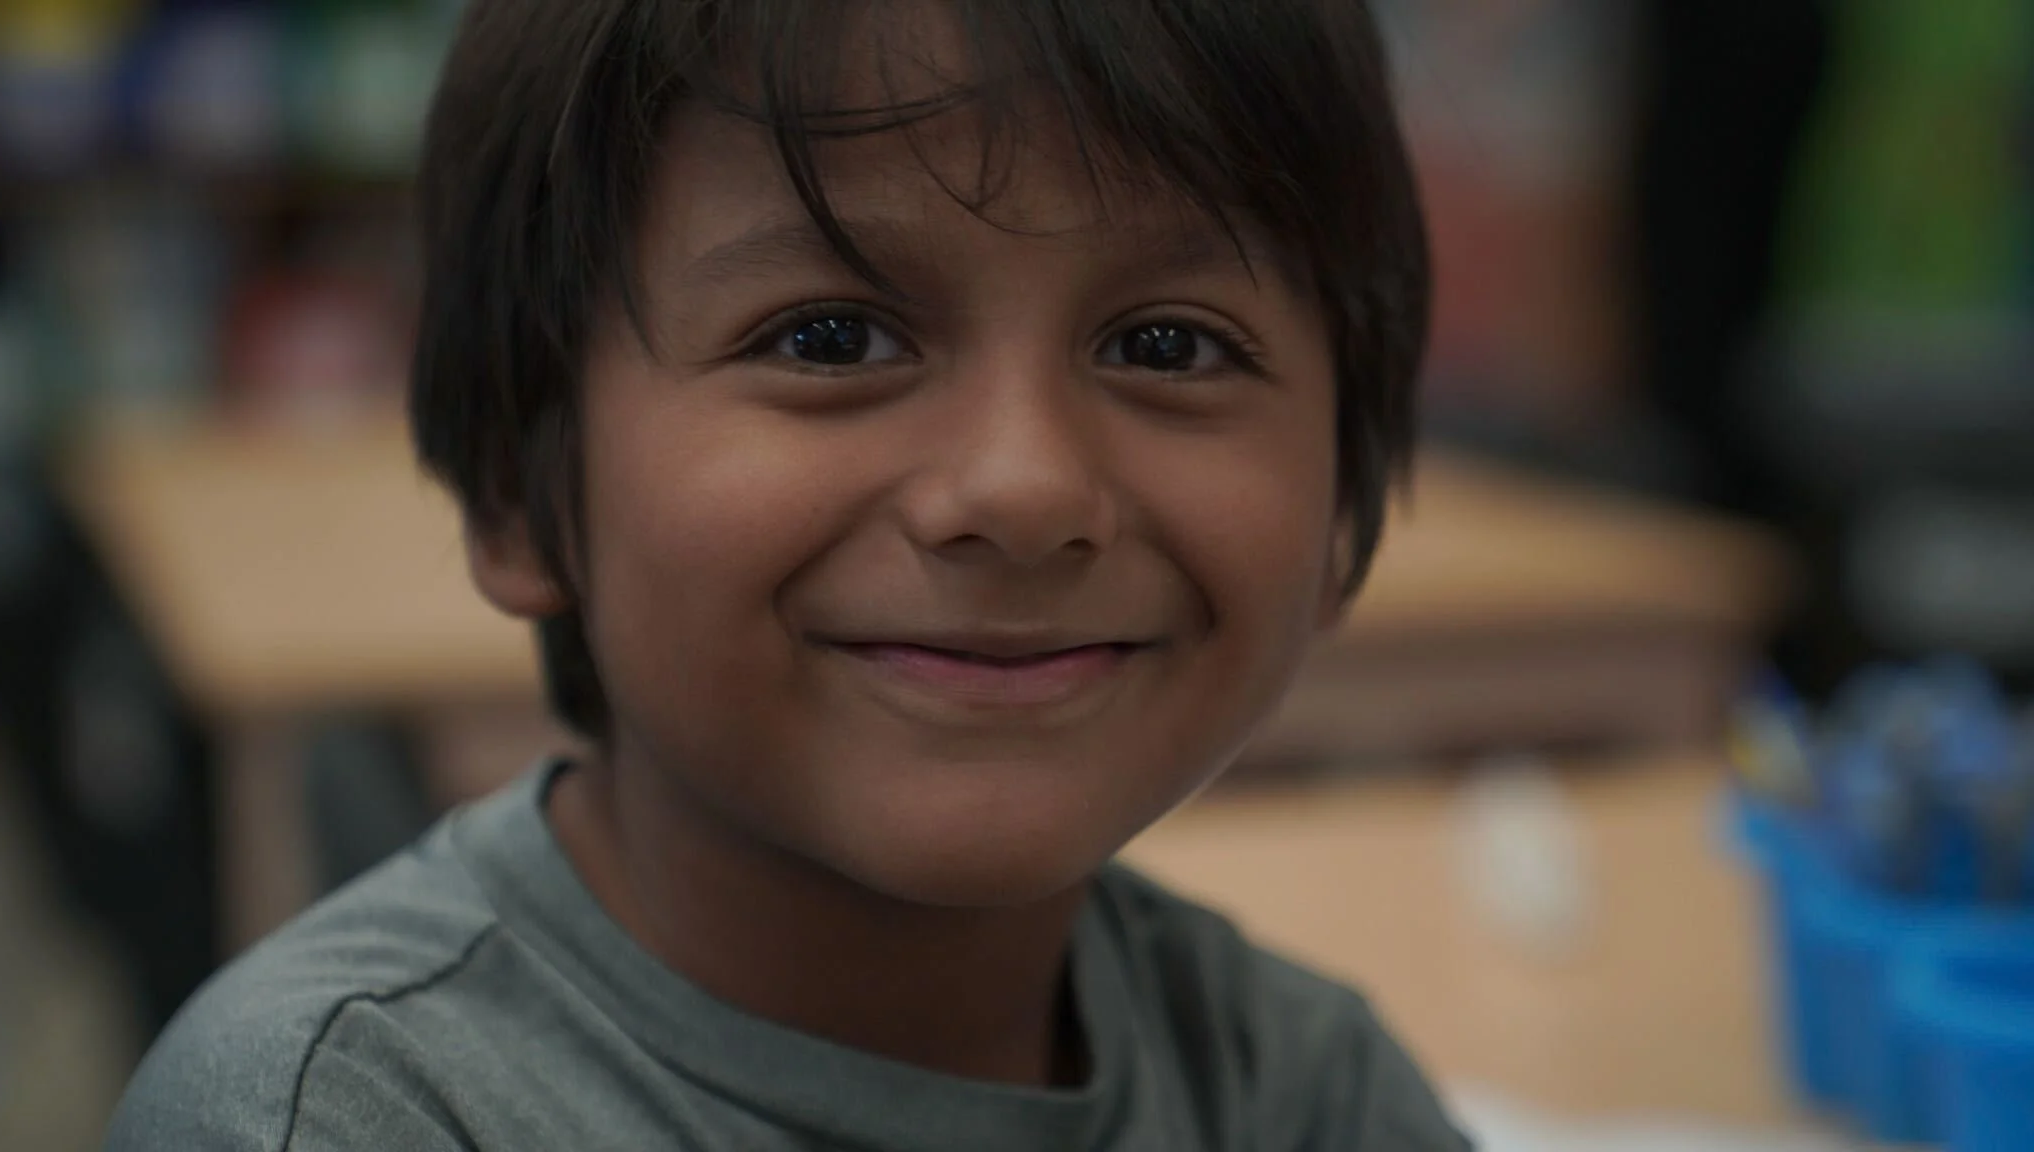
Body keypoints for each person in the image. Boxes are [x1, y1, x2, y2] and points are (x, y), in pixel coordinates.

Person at [106, 1, 1464, 1147]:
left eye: (1168, 348)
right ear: (524, 490)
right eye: (828, 338)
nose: (1025, 489)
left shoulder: (1303, 1093)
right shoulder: (351, 1115)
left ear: (1344, 505)